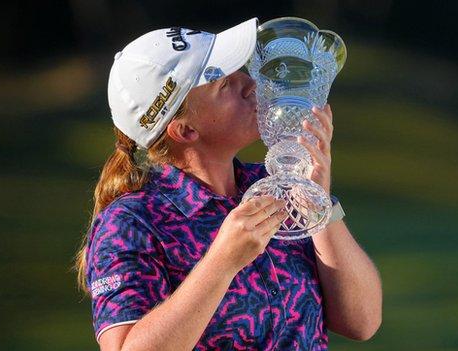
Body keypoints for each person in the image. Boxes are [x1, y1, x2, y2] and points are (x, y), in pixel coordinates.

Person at [74, 17, 382, 351]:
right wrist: (222, 263)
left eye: (238, 72)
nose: (250, 84)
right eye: (224, 85)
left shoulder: (274, 185)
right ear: (185, 130)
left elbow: (362, 322)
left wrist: (318, 202)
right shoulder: (131, 223)